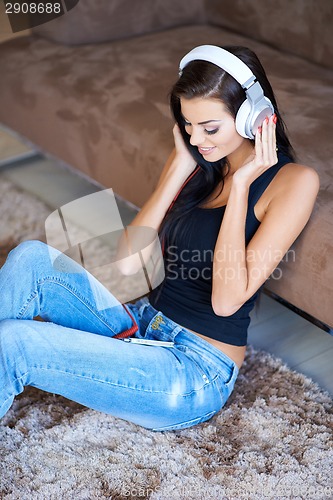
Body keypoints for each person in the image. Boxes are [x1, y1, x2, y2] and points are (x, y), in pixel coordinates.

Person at [0, 45, 319, 431]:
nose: (198, 139)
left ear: (254, 117)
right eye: (187, 125)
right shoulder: (200, 160)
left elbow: (226, 300)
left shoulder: (294, 182)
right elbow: (128, 262)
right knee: (31, 258)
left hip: (192, 374)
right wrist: (178, 168)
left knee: (16, 343)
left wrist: (240, 187)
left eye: (210, 128)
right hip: (142, 326)